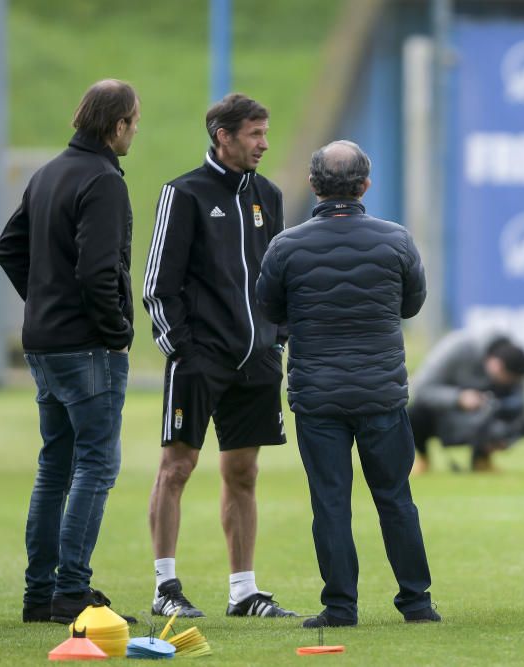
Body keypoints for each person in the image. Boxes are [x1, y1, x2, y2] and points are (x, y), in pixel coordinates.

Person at [257, 140, 439, 628]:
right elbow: (411, 304)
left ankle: (340, 607)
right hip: (381, 393)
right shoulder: (395, 240)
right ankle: (416, 604)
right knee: (395, 497)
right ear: (365, 185)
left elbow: (270, 309)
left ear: (314, 186)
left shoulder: (286, 246)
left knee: (330, 503)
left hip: (317, 396)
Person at [142, 93, 295, 619]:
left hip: (256, 363)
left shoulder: (268, 195)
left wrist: (277, 337)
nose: (263, 143)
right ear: (222, 136)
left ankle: (243, 592)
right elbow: (158, 284)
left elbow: (279, 279)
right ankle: (166, 588)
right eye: (254, 134)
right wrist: (182, 349)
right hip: (199, 360)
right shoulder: (183, 192)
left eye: (265, 133)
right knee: (177, 466)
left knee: (244, 473)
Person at [0, 79, 140, 624]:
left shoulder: (48, 173)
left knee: (54, 468)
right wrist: (117, 329)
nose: (134, 132)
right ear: (117, 124)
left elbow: (9, 246)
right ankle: (71, 590)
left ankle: (39, 594)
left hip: (45, 344)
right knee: (96, 465)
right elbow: (98, 270)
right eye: (133, 122)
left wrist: (43, 302)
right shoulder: (103, 181)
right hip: (88, 349)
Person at [408, 329, 524, 473]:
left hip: (481, 419)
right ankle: (422, 459)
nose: (511, 383)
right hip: (442, 414)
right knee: (413, 413)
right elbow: (420, 389)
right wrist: (458, 398)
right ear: (496, 365)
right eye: (508, 379)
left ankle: (482, 461)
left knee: (513, 419)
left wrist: (508, 438)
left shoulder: (515, 363)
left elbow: (521, 411)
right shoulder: (457, 348)